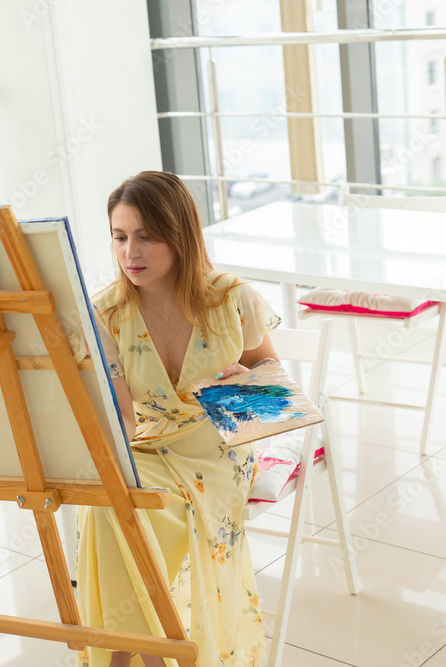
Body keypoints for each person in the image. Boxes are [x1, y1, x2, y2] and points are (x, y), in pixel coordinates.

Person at [77, 171, 280, 667]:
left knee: (155, 511)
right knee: (116, 502)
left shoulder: (230, 298)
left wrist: (244, 379)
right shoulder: (106, 313)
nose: (131, 252)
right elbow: (123, 416)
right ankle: (140, 658)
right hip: (149, 442)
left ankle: (136, 659)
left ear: (180, 234)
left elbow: (271, 374)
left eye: (146, 235)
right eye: (120, 237)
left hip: (219, 444)